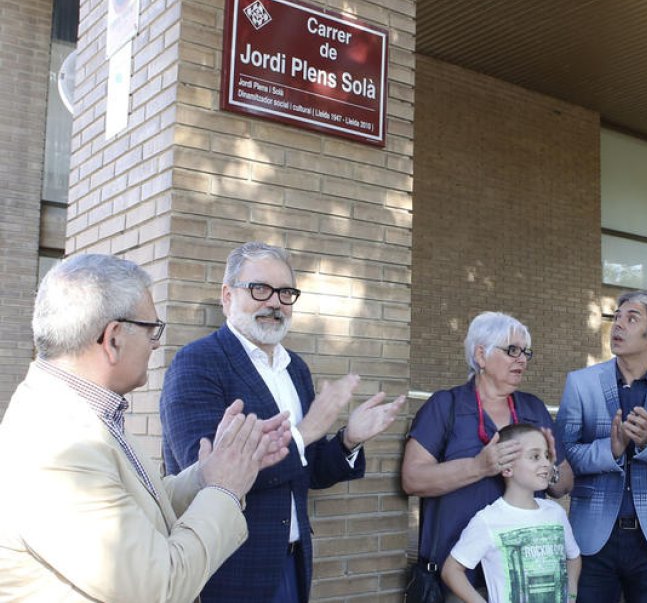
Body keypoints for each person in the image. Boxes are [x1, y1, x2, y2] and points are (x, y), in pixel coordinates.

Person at [0, 253, 291, 601]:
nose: (156, 343)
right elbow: (157, 586)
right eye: (152, 329)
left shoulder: (85, 412)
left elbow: (143, 508)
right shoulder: (54, 446)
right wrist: (226, 489)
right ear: (113, 339)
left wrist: (207, 474)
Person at [160, 242, 405, 603]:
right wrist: (305, 432)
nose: (274, 302)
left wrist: (348, 440)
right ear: (227, 296)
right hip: (225, 573)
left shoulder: (296, 369)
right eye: (260, 289)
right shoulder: (198, 362)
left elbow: (308, 469)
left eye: (285, 292)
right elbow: (202, 472)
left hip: (291, 562)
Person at [403, 311, 572, 601]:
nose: (522, 359)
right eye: (512, 350)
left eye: (525, 352)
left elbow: (564, 485)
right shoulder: (446, 406)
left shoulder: (533, 409)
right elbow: (412, 479)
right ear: (481, 355)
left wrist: (551, 469)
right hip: (458, 581)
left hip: (523, 580)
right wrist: (478, 466)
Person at [555, 290, 647, 603]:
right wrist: (610, 450)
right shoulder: (581, 383)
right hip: (593, 541)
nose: (618, 325)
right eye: (617, 317)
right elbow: (565, 457)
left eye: (631, 318)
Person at [443, 423, 582, 603]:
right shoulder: (488, 520)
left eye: (547, 456)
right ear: (507, 468)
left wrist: (571, 596)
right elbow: (451, 570)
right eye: (534, 456)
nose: (546, 463)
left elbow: (574, 557)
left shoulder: (556, 513)